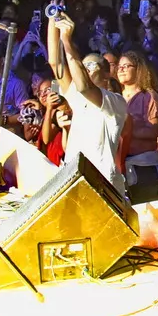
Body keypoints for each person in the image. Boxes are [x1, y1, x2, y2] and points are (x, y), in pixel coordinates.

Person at [47, 12, 128, 194]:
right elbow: (55, 62)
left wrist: (67, 40)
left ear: (107, 74)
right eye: (84, 66)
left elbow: (84, 86)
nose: (86, 69)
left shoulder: (116, 102)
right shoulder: (77, 98)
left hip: (102, 182)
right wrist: (53, 20)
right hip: (74, 178)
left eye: (91, 66)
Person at [115, 50, 158, 204]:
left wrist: (125, 128)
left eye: (126, 66)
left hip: (143, 165)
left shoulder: (148, 95)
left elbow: (153, 131)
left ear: (138, 69)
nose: (120, 69)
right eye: (119, 66)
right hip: (120, 164)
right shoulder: (115, 96)